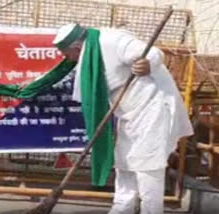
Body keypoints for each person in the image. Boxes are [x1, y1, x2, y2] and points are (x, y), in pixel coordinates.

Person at [52, 23, 194, 214]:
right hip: (129, 115)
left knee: (148, 166)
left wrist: (147, 64)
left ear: (76, 48)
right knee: (124, 163)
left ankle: (151, 211)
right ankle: (121, 210)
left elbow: (153, 53)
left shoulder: (111, 40)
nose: (66, 59)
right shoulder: (87, 58)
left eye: (66, 54)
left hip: (154, 109)